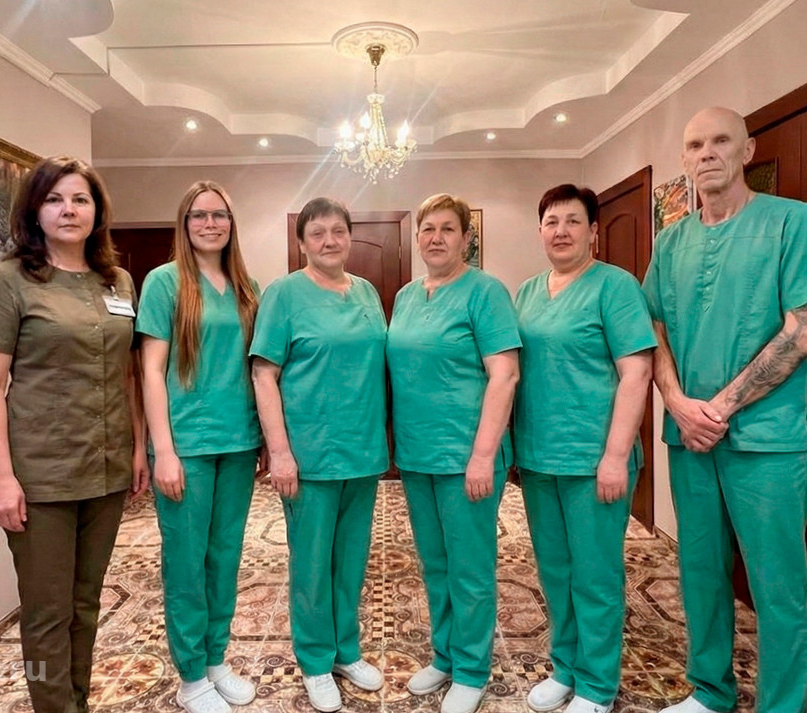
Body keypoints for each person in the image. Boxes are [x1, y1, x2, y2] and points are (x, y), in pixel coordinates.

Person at [643, 107, 807, 713]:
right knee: (700, 573)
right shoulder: (670, 242)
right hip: (688, 437)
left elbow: (803, 333)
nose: (706, 153)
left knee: (777, 586)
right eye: (694, 144)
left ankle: (782, 705)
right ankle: (710, 691)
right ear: (684, 160)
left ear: (747, 150)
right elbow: (653, 329)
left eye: (720, 141)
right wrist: (677, 403)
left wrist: (718, 408)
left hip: (767, 442)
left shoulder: (791, 222)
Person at [0, 156, 148, 713]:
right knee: (47, 612)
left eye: (80, 199)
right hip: (41, 475)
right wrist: (0, 478)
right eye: (54, 199)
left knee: (85, 603)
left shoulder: (118, 281)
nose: (68, 210)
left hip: (107, 468)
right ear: (35, 210)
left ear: (97, 211)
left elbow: (128, 373)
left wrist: (138, 446)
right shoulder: (8, 281)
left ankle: (76, 702)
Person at [514, 184, 656, 713]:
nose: (561, 231)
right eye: (551, 222)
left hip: (596, 459)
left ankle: (596, 685)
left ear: (593, 231)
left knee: (595, 575)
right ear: (540, 231)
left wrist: (615, 456)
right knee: (555, 571)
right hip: (539, 456)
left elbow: (636, 373)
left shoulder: (615, 287)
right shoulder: (527, 292)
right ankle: (565, 667)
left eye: (573, 221)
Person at [249, 197, 388, 712]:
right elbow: (264, 374)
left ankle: (345, 651)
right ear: (302, 242)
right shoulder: (284, 294)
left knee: (350, 561)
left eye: (338, 231)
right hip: (309, 456)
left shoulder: (367, 292)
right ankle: (314, 660)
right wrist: (280, 452)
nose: (330, 241)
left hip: (362, 451)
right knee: (311, 564)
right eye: (317, 233)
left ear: (350, 236)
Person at [385, 193, 521, 713]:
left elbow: (505, 375)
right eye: (428, 229)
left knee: (470, 568)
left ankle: (471, 669)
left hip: (468, 456)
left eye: (447, 229)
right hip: (417, 455)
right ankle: (444, 654)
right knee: (435, 563)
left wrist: (483, 455)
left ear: (467, 238)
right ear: (417, 237)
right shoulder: (405, 296)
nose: (436, 237)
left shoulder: (485, 292)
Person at [136, 181, 263, 713]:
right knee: (186, 562)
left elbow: (256, 368)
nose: (210, 224)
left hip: (238, 441)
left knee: (224, 557)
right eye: (199, 215)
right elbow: (151, 369)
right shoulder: (164, 282)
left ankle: (215, 661)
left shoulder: (246, 286)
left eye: (220, 215)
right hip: (185, 444)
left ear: (232, 224)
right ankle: (190, 676)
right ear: (184, 224)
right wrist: (162, 450)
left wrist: (263, 437)